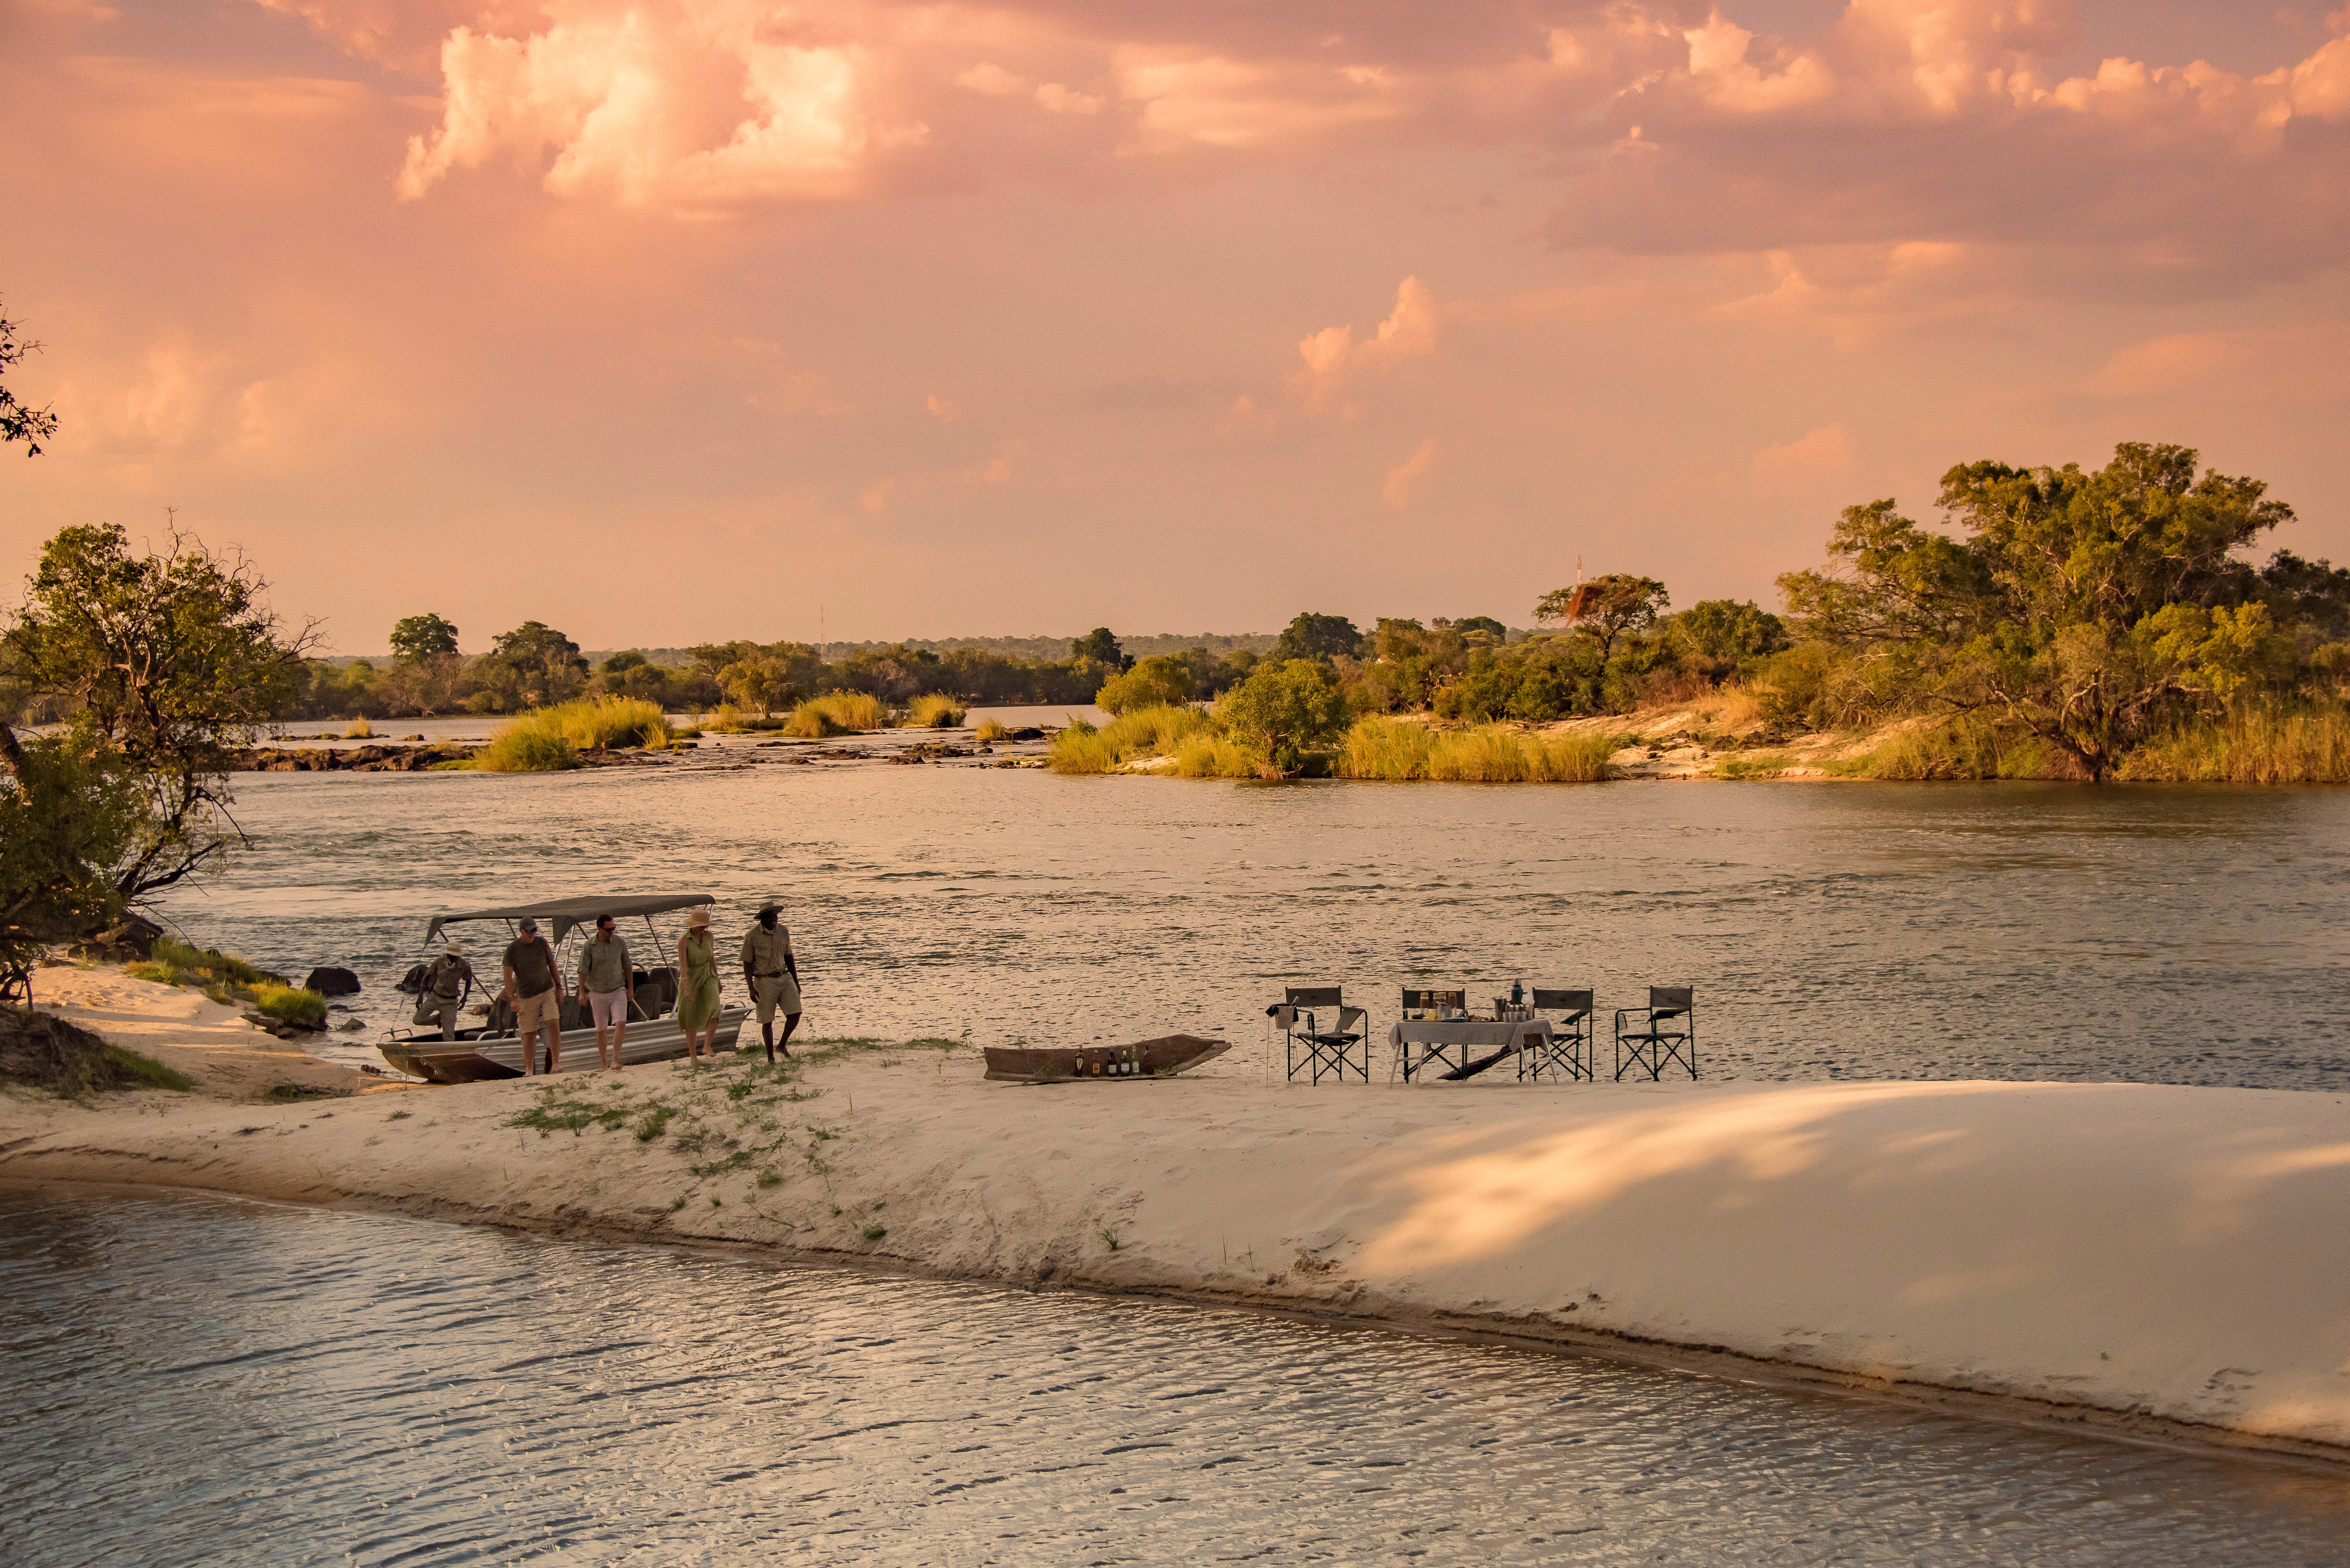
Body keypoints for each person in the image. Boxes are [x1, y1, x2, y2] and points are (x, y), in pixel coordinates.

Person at [739, 901, 802, 1062]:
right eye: (771, 917)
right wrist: (751, 988)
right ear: (763, 918)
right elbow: (747, 963)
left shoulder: (783, 931)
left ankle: (782, 1045)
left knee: (795, 1013)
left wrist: (796, 980)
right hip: (764, 980)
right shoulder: (752, 936)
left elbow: (789, 957)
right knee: (767, 1020)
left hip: (784, 976)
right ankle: (771, 1057)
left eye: (776, 916)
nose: (775, 919)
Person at [503, 917, 563, 1074]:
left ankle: (556, 1064)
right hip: (526, 995)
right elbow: (508, 977)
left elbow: (552, 965)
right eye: (529, 931)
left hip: (547, 990)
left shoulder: (542, 943)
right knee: (529, 1033)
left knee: (553, 1022)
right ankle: (529, 1069)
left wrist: (559, 987)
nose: (532, 934)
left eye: (535, 930)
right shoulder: (513, 949)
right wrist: (512, 998)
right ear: (521, 931)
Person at [576, 913, 632, 1071]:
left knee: (621, 1023)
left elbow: (628, 966)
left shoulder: (620, 943)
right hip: (597, 991)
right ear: (599, 929)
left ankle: (615, 1061)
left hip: (618, 988)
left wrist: (631, 988)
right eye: (608, 930)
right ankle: (603, 1063)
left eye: (614, 928)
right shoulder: (589, 947)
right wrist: (582, 992)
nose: (612, 932)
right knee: (601, 1029)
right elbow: (583, 970)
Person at [676, 907, 722, 1060]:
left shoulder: (710, 937)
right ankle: (693, 1055)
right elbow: (683, 967)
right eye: (702, 927)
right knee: (691, 1017)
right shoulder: (684, 941)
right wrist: (687, 989)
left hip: (708, 975)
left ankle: (707, 1046)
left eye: (706, 926)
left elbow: (712, 959)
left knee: (716, 1010)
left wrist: (718, 979)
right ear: (693, 926)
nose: (704, 929)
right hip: (691, 977)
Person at [415, 941, 474, 1040]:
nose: (452, 958)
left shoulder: (465, 965)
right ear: (447, 954)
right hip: (435, 996)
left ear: (458, 956)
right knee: (418, 1020)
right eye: (450, 955)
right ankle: (439, 1019)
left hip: (450, 1001)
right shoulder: (439, 961)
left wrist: (465, 998)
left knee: (449, 1036)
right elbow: (427, 976)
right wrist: (420, 995)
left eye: (454, 956)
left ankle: (450, 1054)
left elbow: (469, 980)